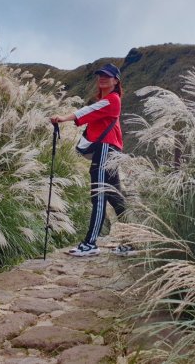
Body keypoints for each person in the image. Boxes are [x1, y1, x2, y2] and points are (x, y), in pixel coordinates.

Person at [50, 63, 135, 257]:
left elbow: (85, 112)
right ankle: (129, 241)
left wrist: (63, 118)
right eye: (100, 75)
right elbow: (90, 115)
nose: (102, 78)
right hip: (111, 150)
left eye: (107, 75)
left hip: (105, 148)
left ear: (116, 80)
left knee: (99, 195)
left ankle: (90, 243)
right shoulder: (106, 101)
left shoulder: (112, 100)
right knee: (115, 197)